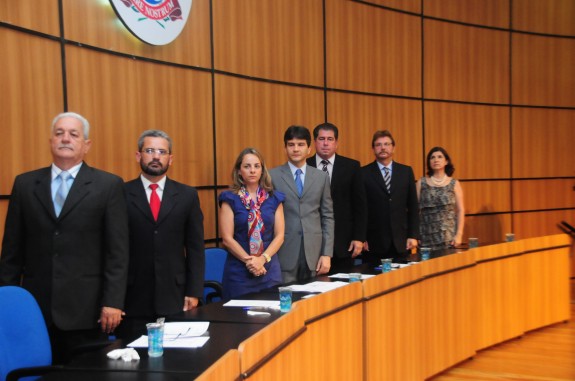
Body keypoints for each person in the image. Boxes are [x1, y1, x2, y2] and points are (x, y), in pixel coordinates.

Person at [0, 112, 129, 363]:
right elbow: (11, 252)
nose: (65, 139)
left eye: (73, 134)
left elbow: (118, 251)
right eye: (59, 133)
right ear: (50, 141)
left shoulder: (108, 185)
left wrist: (113, 302)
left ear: (86, 144)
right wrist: (7, 301)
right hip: (36, 310)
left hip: (88, 310)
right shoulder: (25, 184)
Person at [121, 130, 205, 335]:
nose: (156, 156)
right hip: (132, 298)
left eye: (162, 152)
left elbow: (195, 248)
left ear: (171, 158)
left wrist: (194, 292)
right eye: (149, 150)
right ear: (138, 156)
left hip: (176, 296)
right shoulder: (120, 193)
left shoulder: (187, 195)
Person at [270, 125, 334, 283]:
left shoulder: (321, 177)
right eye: (291, 145)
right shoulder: (272, 176)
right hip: (284, 251)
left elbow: (327, 216)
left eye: (300, 145)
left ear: (309, 149)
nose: (296, 149)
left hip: (314, 252)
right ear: (285, 148)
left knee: (313, 302)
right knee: (285, 300)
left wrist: (326, 254)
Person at [219, 148, 285, 298]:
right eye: (247, 166)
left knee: (272, 318)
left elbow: (280, 236)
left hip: (268, 270)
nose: (252, 170)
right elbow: (227, 239)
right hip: (239, 272)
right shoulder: (229, 198)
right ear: (239, 171)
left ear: (262, 170)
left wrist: (261, 260)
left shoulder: (275, 198)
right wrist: (251, 262)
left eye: (257, 166)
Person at [306, 122, 367, 272]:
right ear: (314, 142)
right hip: (311, 242)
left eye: (330, 139)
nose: (325, 143)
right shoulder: (304, 166)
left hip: (343, 242)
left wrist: (359, 237)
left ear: (336, 143)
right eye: (321, 139)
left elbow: (360, 206)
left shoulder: (352, 167)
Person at [362, 130, 419, 264]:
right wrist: (361, 237)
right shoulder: (363, 173)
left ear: (393, 147)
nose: (383, 148)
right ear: (373, 149)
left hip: (401, 241)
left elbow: (413, 206)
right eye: (378, 145)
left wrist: (413, 235)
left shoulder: (406, 171)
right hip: (373, 242)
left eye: (386, 144)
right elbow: (361, 209)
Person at [416, 147, 465, 250]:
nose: (436, 160)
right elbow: (414, 210)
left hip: (449, 238)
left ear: (446, 161)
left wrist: (459, 234)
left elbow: (460, 210)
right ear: (429, 162)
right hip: (425, 236)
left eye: (439, 157)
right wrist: (415, 234)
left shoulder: (454, 183)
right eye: (432, 157)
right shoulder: (421, 183)